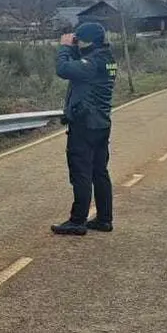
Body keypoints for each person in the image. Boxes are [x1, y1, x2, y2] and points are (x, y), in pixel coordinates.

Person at [51, 22, 118, 236]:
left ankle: (77, 221)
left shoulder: (93, 63)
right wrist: (75, 49)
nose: (77, 42)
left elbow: (63, 69)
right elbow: (79, 67)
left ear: (87, 41)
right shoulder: (108, 59)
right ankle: (104, 219)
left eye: (79, 39)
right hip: (102, 123)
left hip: (85, 125)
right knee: (100, 172)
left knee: (81, 173)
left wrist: (65, 47)